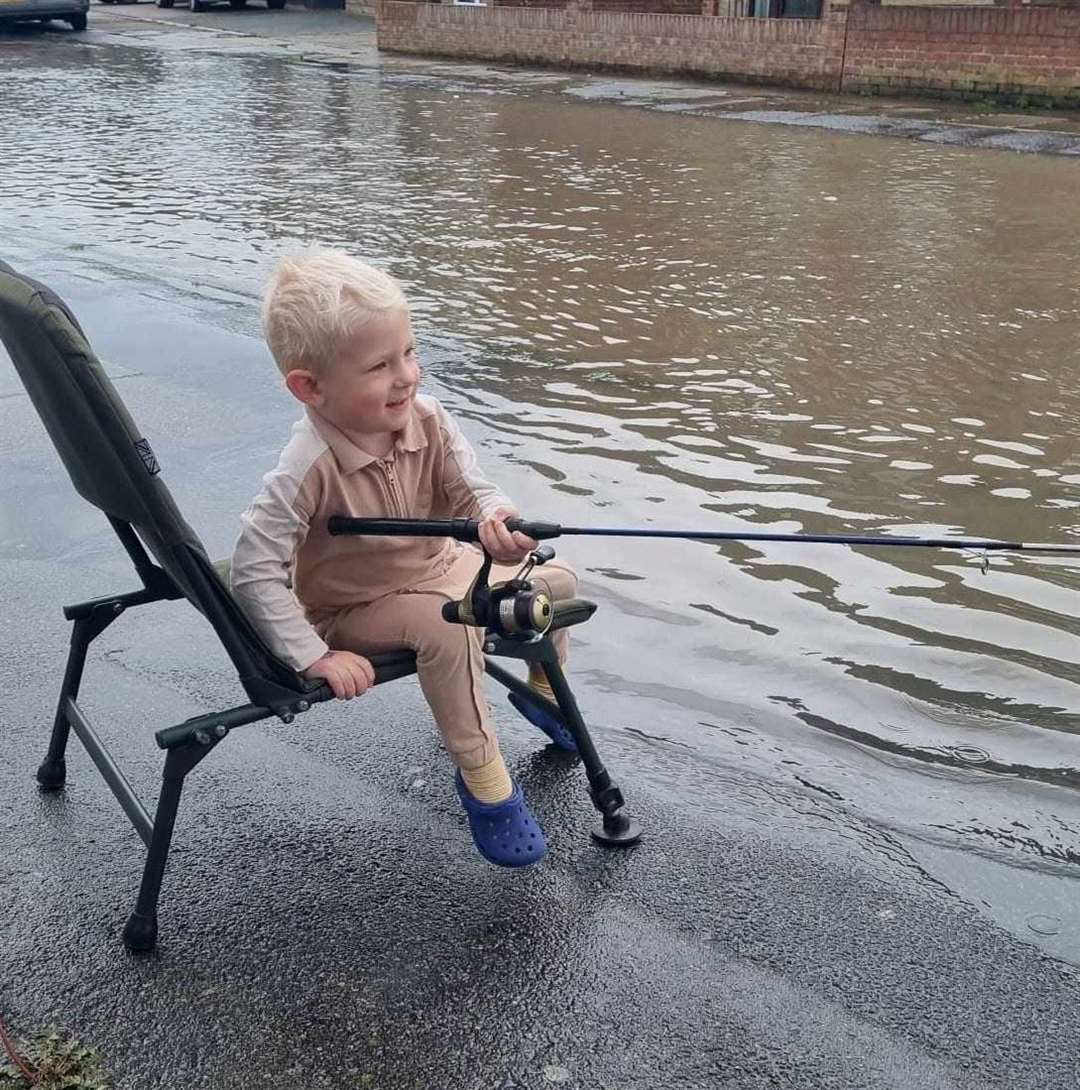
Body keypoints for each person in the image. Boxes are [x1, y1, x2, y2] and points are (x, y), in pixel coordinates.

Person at [230, 250, 578, 869]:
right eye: (380, 366)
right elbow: (253, 569)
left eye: (409, 353)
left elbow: (473, 490)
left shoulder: (428, 420)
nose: (407, 376)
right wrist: (313, 655)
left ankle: (544, 689)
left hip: (443, 571)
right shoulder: (303, 469)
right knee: (447, 627)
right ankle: (483, 779)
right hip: (358, 607)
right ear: (311, 388)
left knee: (556, 580)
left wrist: (499, 525)